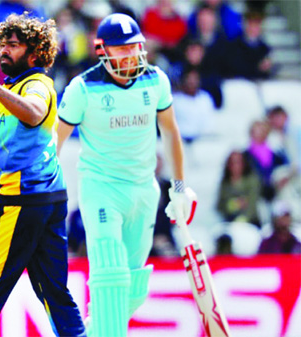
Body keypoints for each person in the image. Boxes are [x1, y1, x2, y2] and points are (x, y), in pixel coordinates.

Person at [0, 13, 86, 336]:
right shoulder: (13, 89)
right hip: (44, 200)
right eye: (3, 45)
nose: (4, 51)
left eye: (14, 45)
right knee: (55, 294)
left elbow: (35, 113)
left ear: (35, 53)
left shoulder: (37, 85)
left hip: (18, 203)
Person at [56, 13, 197, 336]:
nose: (129, 54)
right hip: (101, 188)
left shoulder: (156, 79)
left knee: (132, 290)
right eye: (120, 49)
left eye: (133, 47)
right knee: (111, 276)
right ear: (102, 50)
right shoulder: (83, 87)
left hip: (144, 191)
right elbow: (56, 140)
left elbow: (171, 132)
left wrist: (179, 186)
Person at [217, 150, 262, 227]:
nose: (235, 166)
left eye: (238, 162)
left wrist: (244, 218)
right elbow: (220, 205)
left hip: (251, 222)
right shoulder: (225, 182)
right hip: (230, 222)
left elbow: (252, 203)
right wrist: (232, 205)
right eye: (232, 163)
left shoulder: (252, 180)